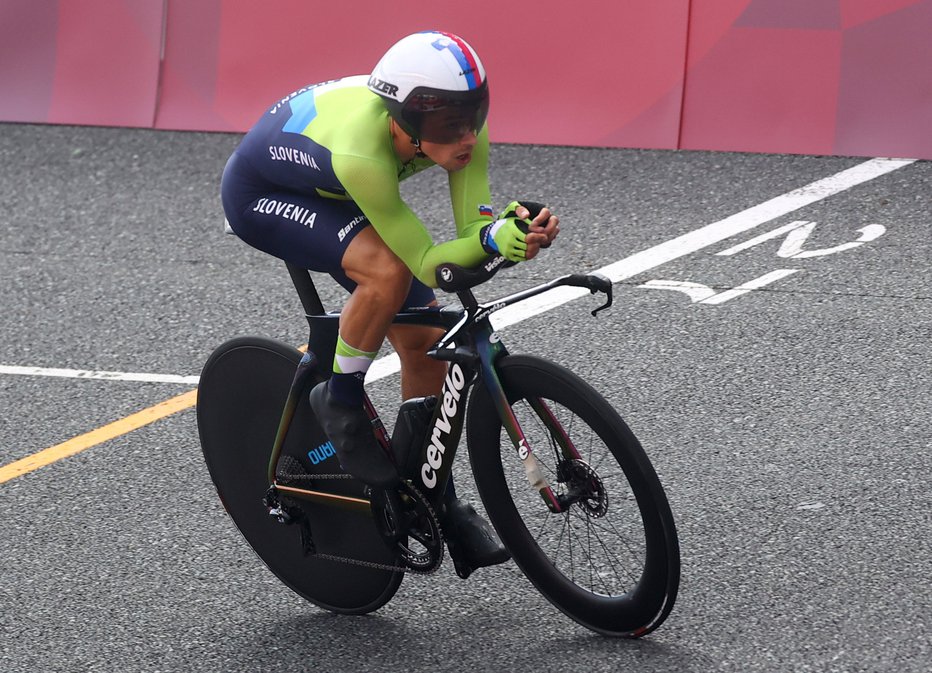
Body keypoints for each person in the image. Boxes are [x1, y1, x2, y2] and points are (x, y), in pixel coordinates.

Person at [220, 31, 559, 573]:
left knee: (425, 341)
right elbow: (428, 262)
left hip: (333, 187)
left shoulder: (461, 133)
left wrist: (503, 235)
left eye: (474, 113)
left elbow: (471, 230)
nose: (467, 134)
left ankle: (426, 494)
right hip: (266, 193)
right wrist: (491, 243)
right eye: (450, 122)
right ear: (405, 120)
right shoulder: (363, 152)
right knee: (387, 271)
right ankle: (341, 396)